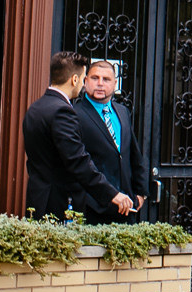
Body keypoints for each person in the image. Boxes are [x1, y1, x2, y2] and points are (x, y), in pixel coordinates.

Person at [23, 51, 132, 221]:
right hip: (58, 205)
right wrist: (112, 194)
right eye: (82, 79)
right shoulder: (63, 111)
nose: (82, 85)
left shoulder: (36, 107)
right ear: (74, 80)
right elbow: (78, 161)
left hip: (37, 199)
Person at [70, 58, 149, 224]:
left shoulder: (122, 112)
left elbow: (133, 154)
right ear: (85, 82)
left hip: (126, 208)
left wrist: (141, 193)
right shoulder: (74, 114)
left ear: (114, 84)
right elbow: (77, 162)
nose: (100, 84)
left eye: (106, 79)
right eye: (94, 78)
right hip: (92, 208)